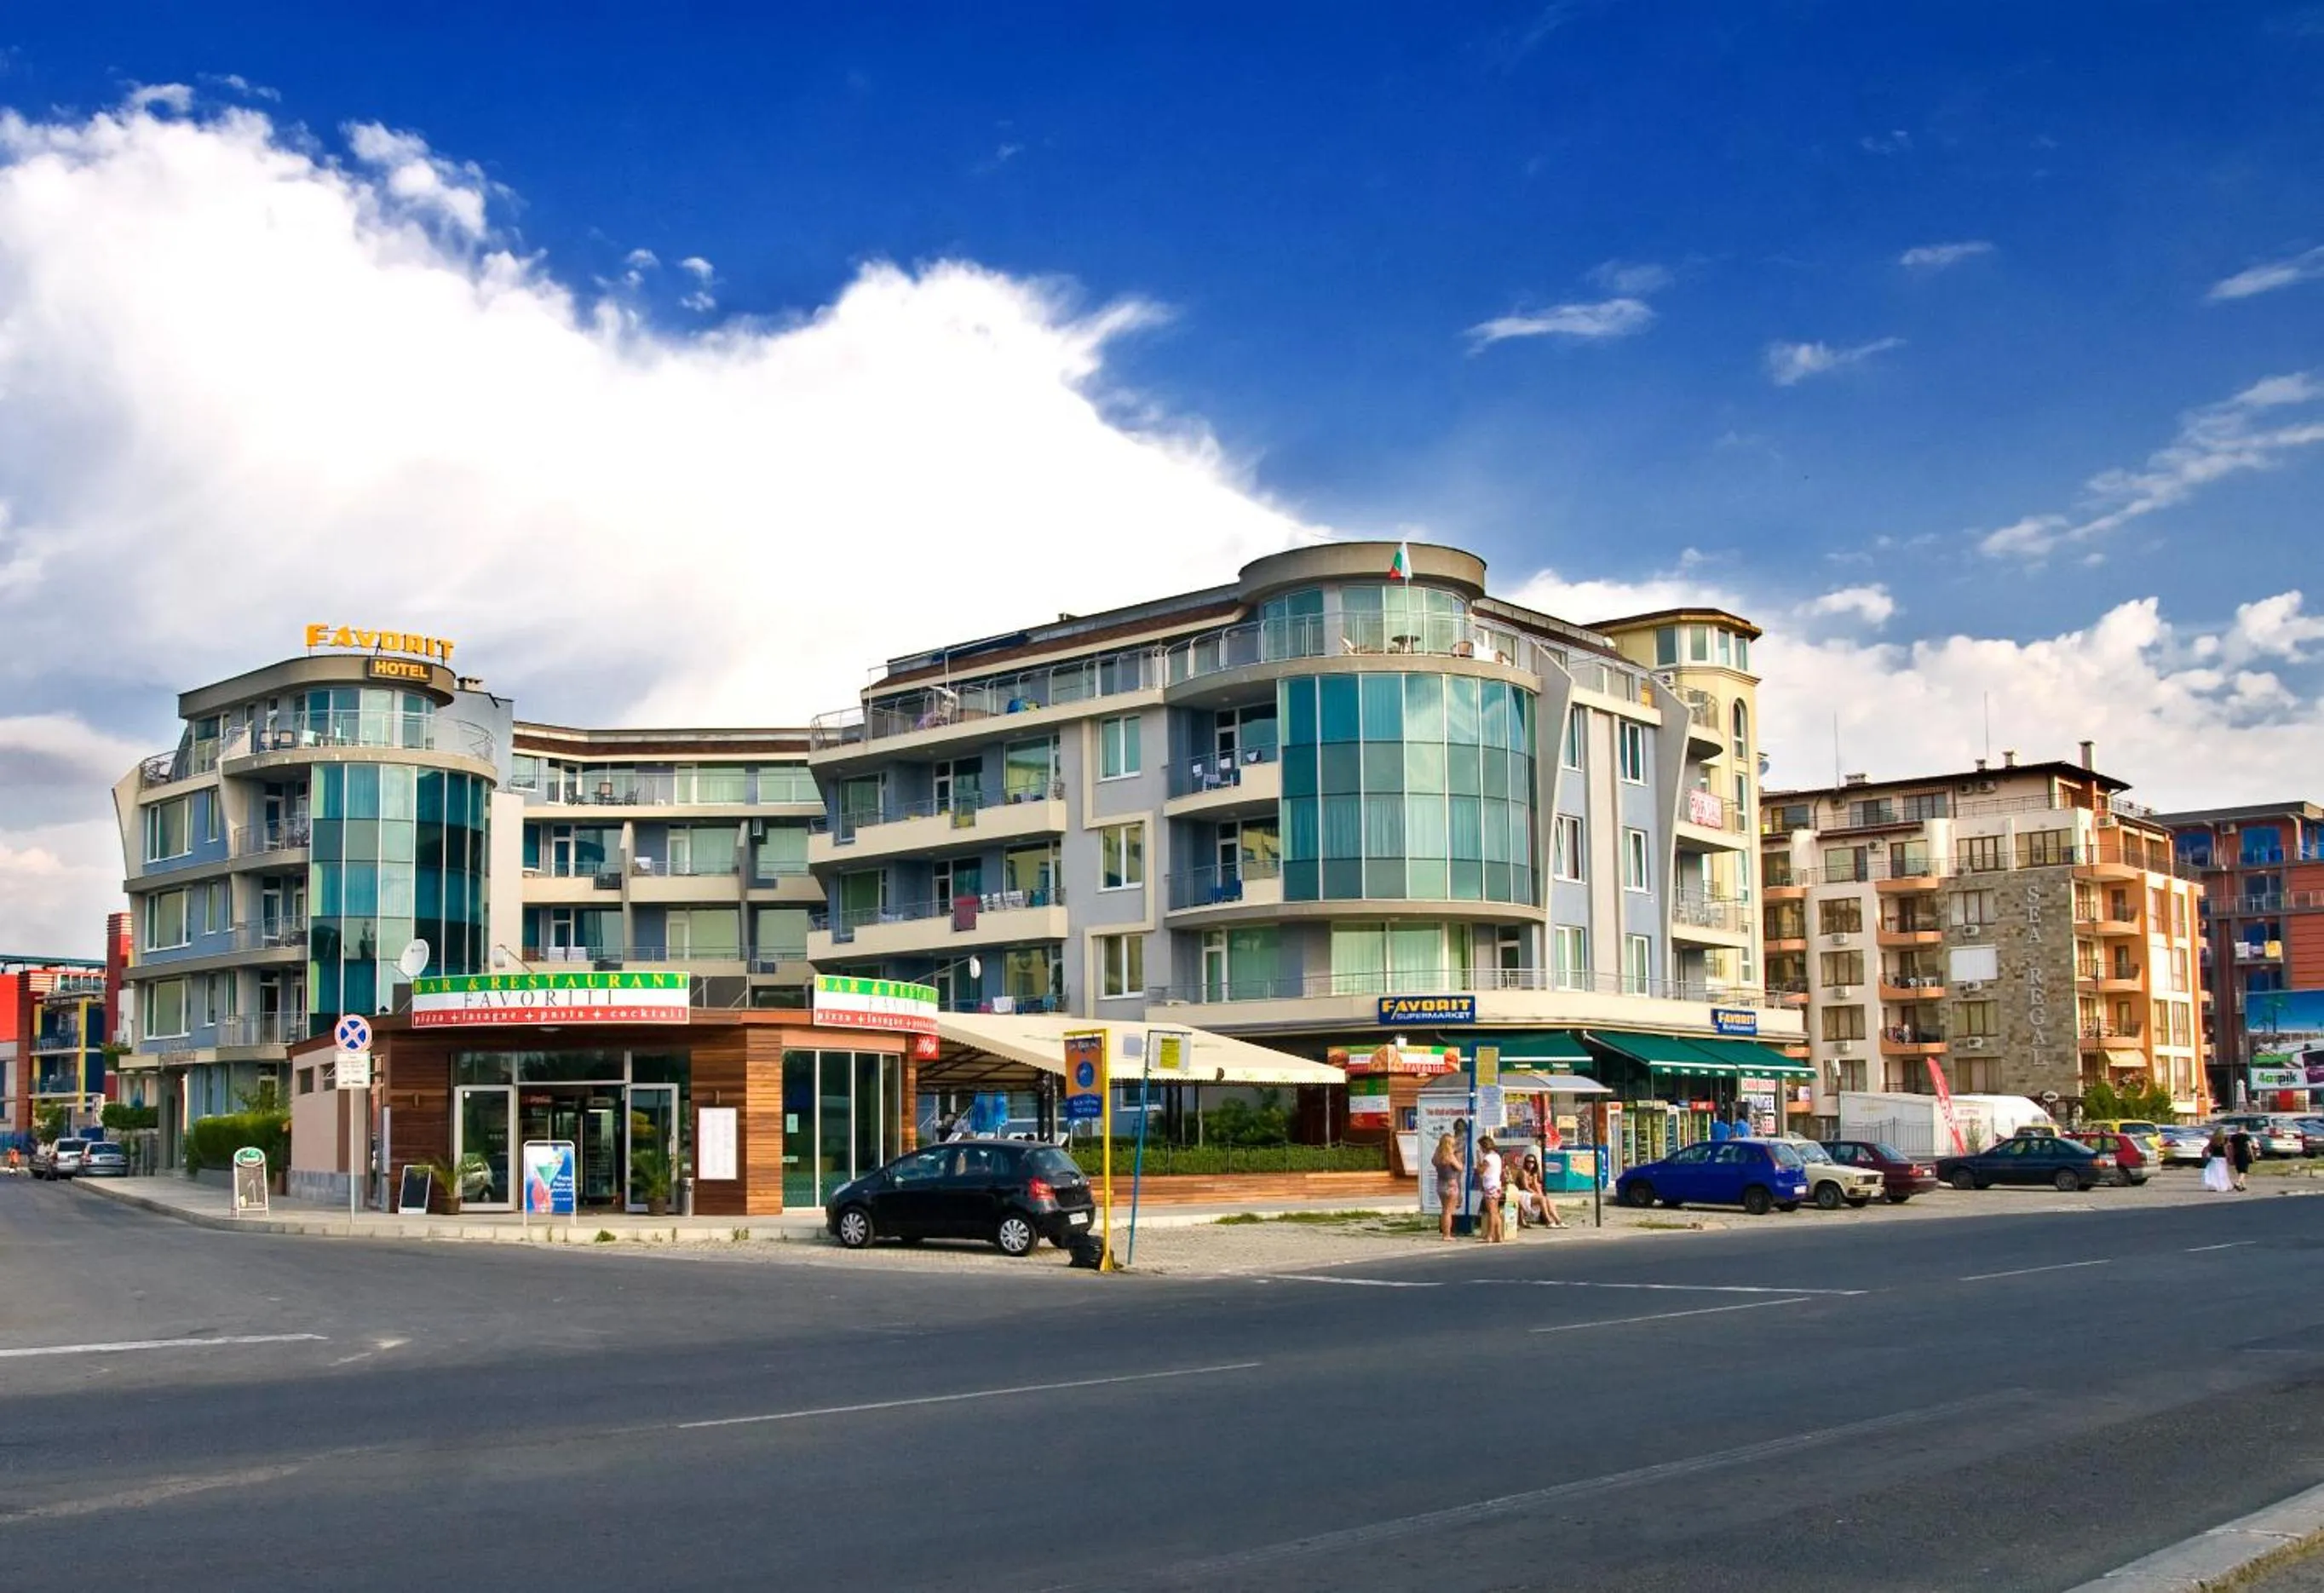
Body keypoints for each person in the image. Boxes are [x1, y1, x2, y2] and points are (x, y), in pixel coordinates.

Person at [1516, 1153, 1567, 1229]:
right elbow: (1525, 1187)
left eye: (1532, 1162)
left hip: (1530, 1194)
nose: (1530, 1164)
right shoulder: (1523, 1172)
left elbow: (1536, 1185)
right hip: (1522, 1193)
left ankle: (1558, 1220)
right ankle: (1548, 1221)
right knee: (1542, 1199)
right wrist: (1537, 1194)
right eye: (1528, 1162)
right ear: (1525, 1162)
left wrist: (1540, 1193)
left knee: (1548, 1200)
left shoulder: (1533, 1173)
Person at [1432, 1131, 1464, 1240]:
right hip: (1451, 1185)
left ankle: (1445, 1233)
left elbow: (1434, 1162)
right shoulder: (1450, 1156)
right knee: (1448, 1211)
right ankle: (1447, 1235)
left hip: (1440, 1184)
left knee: (1444, 1209)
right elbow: (1460, 1168)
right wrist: (1458, 1158)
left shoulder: (1437, 1155)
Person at [1475, 1135, 1506, 1242]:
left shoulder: (1487, 1158)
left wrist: (1478, 1160)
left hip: (1490, 1185)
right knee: (1495, 1211)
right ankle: (1498, 1235)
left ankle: (1490, 1235)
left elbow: (1481, 1171)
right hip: (1496, 1184)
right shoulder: (1497, 1156)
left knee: (1491, 1212)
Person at [2202, 1129, 2233, 1193]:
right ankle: (2224, 1186)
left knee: (2214, 1173)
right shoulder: (2225, 1139)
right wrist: (2229, 1157)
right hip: (2222, 1158)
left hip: (2214, 1158)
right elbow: (2226, 1149)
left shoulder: (2213, 1139)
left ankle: (2214, 1185)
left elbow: (2209, 1148)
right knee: (2223, 1172)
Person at [2229, 1125, 2256, 1192]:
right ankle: (2237, 1183)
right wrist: (2252, 1155)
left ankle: (2244, 1186)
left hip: (2236, 1154)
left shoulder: (2233, 1137)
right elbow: (2249, 1146)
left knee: (2240, 1170)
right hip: (2244, 1154)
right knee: (2244, 1170)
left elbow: (2231, 1148)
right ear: (2244, 1129)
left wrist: (2231, 1157)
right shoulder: (2246, 1136)